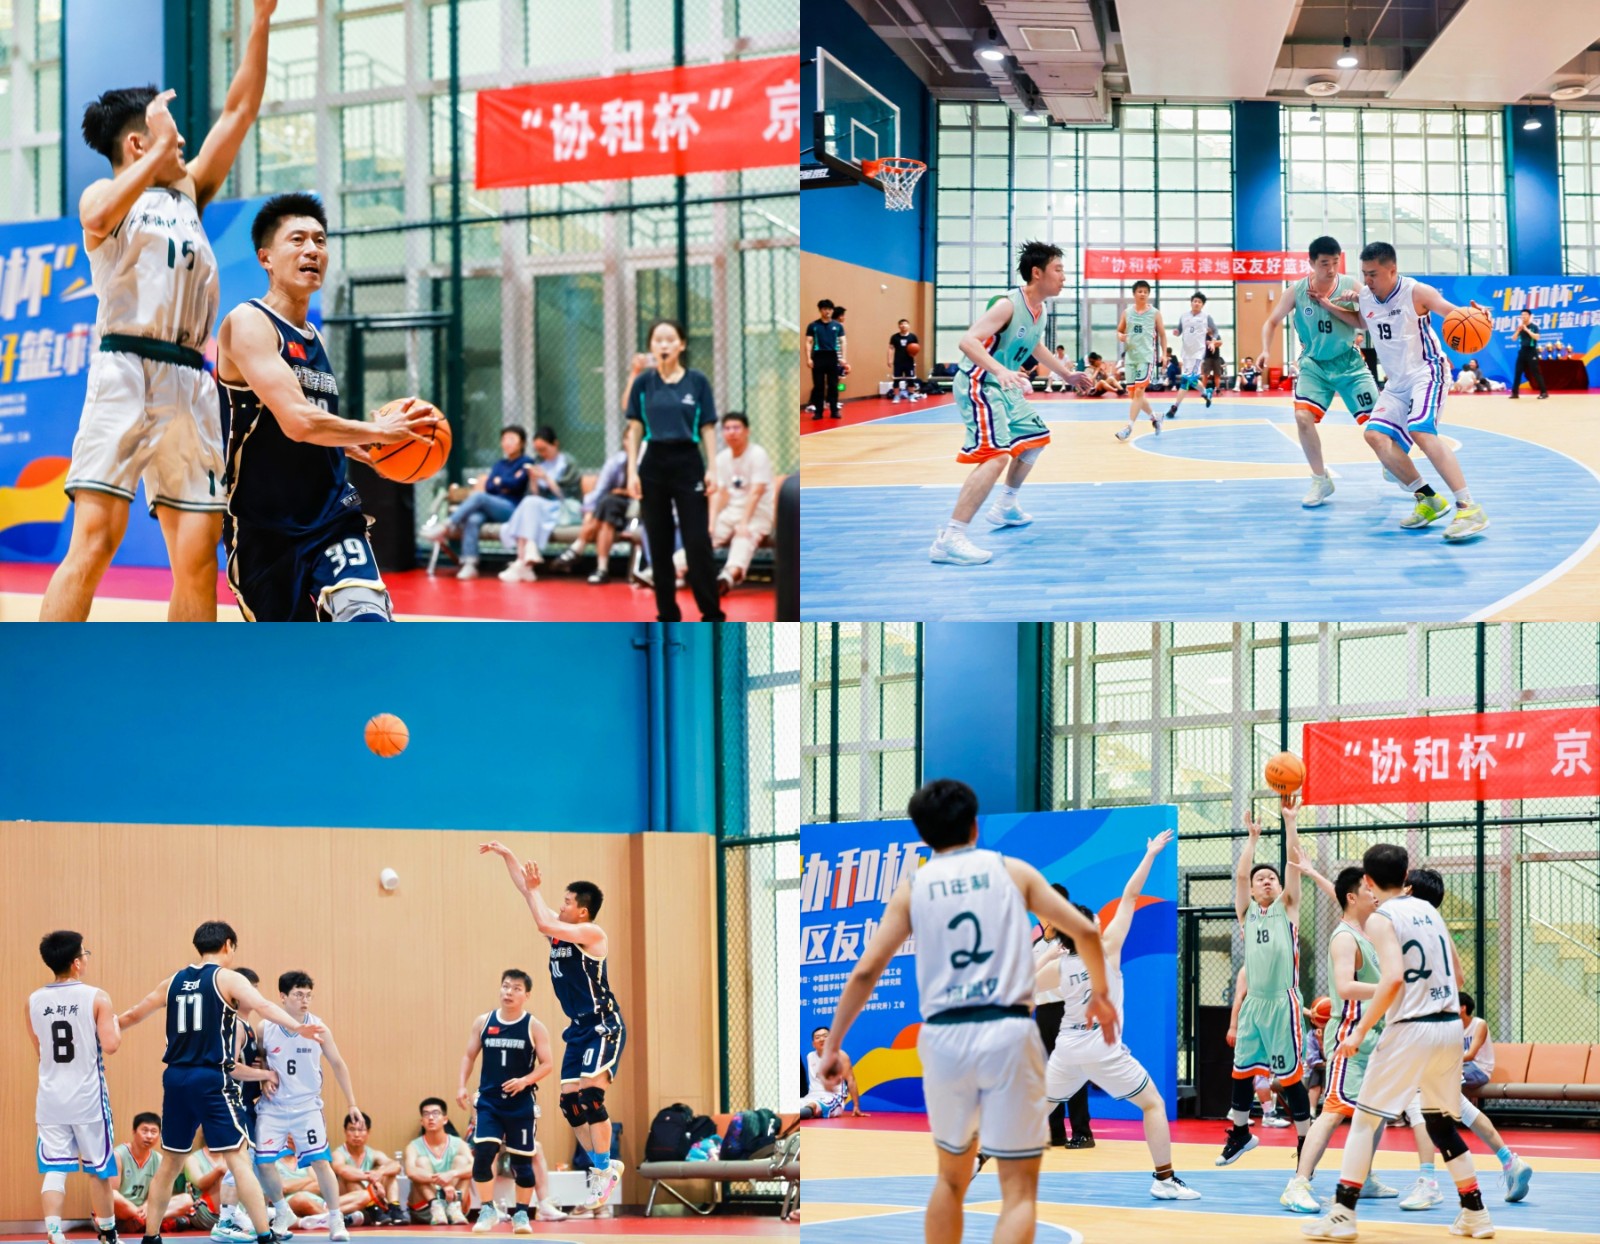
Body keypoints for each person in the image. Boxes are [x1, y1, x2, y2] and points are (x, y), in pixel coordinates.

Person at [42, 2, 278, 622]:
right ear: (139, 143)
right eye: (171, 137)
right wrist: (158, 152)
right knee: (95, 541)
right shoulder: (105, 195)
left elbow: (239, 112)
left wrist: (260, 21)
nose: (185, 146)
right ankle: (49, 669)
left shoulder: (188, 192)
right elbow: (97, 217)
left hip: (190, 381)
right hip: (125, 369)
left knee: (198, 559)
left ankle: (186, 674)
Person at [817, 778, 1118, 1244]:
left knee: (951, 1180)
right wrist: (1100, 993)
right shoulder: (1012, 871)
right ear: (975, 826)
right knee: (1018, 1193)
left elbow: (865, 972)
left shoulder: (913, 888)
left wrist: (833, 1046)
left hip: (945, 1039)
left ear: (923, 835)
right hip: (1007, 1031)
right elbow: (1085, 931)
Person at [216, 193, 434, 622]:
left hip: (332, 518)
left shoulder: (313, 337)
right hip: (264, 529)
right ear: (265, 258)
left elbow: (307, 419)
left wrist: (352, 445)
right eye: (297, 240)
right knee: (293, 657)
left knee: (365, 619)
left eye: (319, 240)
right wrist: (379, 431)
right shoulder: (248, 323)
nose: (312, 249)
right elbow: (298, 422)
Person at [1300, 843, 1495, 1241]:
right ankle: (1475, 1212)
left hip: (1411, 1028)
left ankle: (1342, 1215)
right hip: (1448, 1028)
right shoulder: (1430, 911)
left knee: (1364, 1120)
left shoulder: (1381, 918)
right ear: (1406, 875)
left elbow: (1391, 980)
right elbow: (1459, 978)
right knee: (1439, 1121)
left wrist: (1359, 1031)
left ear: (1368, 881)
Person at [115, 921, 327, 1244]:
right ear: (228, 945)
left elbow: (132, 1015)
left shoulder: (172, 981)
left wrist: (106, 1028)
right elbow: (264, 1006)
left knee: (170, 1162)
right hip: (211, 1077)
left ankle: (151, 1237)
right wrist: (297, 1028)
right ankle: (265, 1235)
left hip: (175, 1078)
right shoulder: (227, 978)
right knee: (239, 1159)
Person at [1037, 831, 1201, 1201]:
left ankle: (981, 1156)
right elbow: (1130, 896)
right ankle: (1164, 1179)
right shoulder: (1108, 948)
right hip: (1101, 1047)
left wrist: (1047, 954)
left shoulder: (1059, 966)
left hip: (1068, 1047)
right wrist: (1150, 854)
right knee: (1153, 1103)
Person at [480, 844, 627, 1213]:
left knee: (591, 1097)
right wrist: (507, 856)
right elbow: (527, 893)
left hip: (602, 1025)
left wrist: (535, 892)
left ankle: (604, 1170)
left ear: (582, 910)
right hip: (577, 1030)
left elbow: (542, 920)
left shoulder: (592, 933)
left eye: (566, 902)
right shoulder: (561, 933)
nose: (560, 906)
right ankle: (602, 1167)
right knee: (570, 1104)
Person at [1310, 241, 1490, 540]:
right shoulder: (1366, 296)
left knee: (1421, 431)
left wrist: (1477, 314)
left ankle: (1469, 507)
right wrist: (1329, 305)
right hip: (1396, 383)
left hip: (1426, 372)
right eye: (1364, 274)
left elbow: (1452, 312)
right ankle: (1428, 499)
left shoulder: (1416, 292)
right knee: (1374, 436)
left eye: (1373, 274)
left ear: (1392, 270)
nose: (1367, 280)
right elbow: (1362, 322)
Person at [930, 240, 1092, 567]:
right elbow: (967, 341)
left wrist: (1067, 375)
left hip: (1005, 386)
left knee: (1035, 438)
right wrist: (1000, 370)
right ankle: (951, 538)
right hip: (980, 383)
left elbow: (1036, 346)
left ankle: (1005, 505)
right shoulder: (1007, 305)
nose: (1064, 276)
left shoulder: (1039, 309)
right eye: (1058, 269)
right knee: (997, 455)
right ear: (1037, 273)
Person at [1392, 870, 1532, 1212]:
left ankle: (1428, 1181)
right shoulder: (1439, 926)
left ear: (1409, 890)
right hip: (1447, 1030)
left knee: (1418, 1107)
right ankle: (1509, 1160)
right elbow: (1459, 977)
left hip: (1422, 1029)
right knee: (1459, 1106)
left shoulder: (1405, 926)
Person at [1280, 863, 1398, 1213]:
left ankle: (1365, 1177)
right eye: (1368, 889)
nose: (1374, 894)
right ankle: (1298, 1183)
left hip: (1376, 1036)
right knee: (1332, 1111)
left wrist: (1313, 873)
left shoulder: (1371, 931)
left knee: (1376, 1112)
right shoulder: (1345, 937)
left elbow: (1337, 893)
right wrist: (1390, 987)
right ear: (1353, 897)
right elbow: (1345, 987)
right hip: (1350, 1036)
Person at [1217, 803, 1312, 1167]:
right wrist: (1252, 840)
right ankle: (1241, 1133)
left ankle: (1306, 1143)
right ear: (1254, 890)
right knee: (1241, 1070)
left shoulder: (1288, 908)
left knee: (1289, 1078)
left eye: (1272, 877)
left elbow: (1293, 864)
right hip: (1254, 1004)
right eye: (1261, 879)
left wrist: (1290, 822)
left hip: (1282, 1003)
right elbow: (1241, 876)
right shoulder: (1247, 913)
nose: (1267, 880)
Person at [1259, 237, 1381, 507]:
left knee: (1379, 425)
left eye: (1335, 262)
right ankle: (1320, 479)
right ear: (1311, 263)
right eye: (1325, 263)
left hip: (1349, 362)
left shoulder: (1351, 286)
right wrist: (1265, 350)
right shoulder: (1297, 290)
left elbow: (1366, 322)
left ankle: (1391, 462)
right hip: (1314, 364)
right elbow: (1271, 321)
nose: (1331, 269)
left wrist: (1353, 302)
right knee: (1302, 417)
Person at [623, 318, 725, 621]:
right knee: (659, 542)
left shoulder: (697, 381)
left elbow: (707, 427)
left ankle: (711, 613)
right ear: (651, 347)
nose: (664, 345)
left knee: (697, 541)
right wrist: (632, 471)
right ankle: (667, 613)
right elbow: (635, 428)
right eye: (658, 340)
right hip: (653, 464)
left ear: (682, 344)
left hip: (688, 462)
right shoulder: (643, 383)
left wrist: (712, 467)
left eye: (670, 339)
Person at [253, 971, 361, 1242]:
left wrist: (352, 1103)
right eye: (298, 995)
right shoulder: (265, 1027)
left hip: (306, 1106)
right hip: (274, 1107)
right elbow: (259, 1059)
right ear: (282, 997)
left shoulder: (319, 1028)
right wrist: (264, 1076)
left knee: (321, 1162)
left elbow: (338, 1064)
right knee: (263, 1163)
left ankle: (336, 1219)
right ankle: (282, 1211)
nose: (305, 1000)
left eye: (308, 995)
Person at [31, 930, 123, 1244]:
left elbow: (41, 1051)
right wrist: (116, 1024)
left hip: (51, 1098)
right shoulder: (97, 997)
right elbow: (110, 1045)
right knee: (99, 1169)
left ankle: (54, 1231)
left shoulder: (33, 1000)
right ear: (76, 962)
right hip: (87, 1098)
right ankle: (108, 1234)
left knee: (55, 1168)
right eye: (85, 953)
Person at [456, 969, 560, 1233]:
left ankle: (522, 1214)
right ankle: (487, 1209)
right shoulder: (484, 1022)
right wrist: (461, 1086)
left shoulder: (534, 1026)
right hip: (489, 1103)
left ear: (526, 995)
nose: (509, 992)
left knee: (521, 1163)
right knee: (483, 1155)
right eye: (505, 986)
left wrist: (525, 1080)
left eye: (516, 988)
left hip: (520, 1105)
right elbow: (469, 1056)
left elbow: (547, 1064)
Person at [674, 412, 773, 595]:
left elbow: (755, 493)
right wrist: (711, 522)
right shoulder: (721, 458)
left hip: (757, 513)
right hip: (731, 511)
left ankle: (728, 576)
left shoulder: (758, 454)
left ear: (747, 431)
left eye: (736, 428)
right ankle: (669, 568)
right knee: (704, 538)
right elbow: (718, 494)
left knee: (743, 537)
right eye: (727, 428)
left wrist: (743, 523)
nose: (731, 432)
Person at [425, 427, 536, 580]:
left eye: (512, 439)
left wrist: (499, 482)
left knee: (479, 497)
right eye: (504, 439)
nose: (507, 443)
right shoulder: (499, 464)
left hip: (512, 510)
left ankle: (446, 526)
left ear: (522, 443)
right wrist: (500, 483)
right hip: (492, 507)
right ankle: (470, 564)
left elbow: (516, 484)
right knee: (474, 518)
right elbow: (490, 486)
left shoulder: (527, 462)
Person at [497, 428, 583, 583]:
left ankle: (522, 559)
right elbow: (535, 495)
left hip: (564, 508)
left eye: (544, 449)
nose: (541, 453)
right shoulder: (538, 462)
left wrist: (546, 478)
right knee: (530, 503)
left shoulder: (567, 463)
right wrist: (533, 480)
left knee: (529, 504)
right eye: (538, 450)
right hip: (541, 509)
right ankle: (527, 558)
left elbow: (564, 495)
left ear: (555, 444)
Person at [550, 449, 631, 585]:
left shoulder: (649, 459)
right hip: (609, 512)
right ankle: (601, 569)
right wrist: (589, 512)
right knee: (607, 509)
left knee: (608, 502)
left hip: (635, 510)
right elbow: (600, 491)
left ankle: (577, 548)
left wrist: (624, 492)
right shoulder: (617, 462)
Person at [1113, 280, 1167, 441]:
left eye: (1145, 291)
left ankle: (1128, 427)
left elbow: (1162, 334)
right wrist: (1121, 336)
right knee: (1133, 394)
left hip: (1146, 357)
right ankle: (1155, 417)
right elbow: (1119, 330)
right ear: (1134, 294)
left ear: (1148, 294)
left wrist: (1164, 354)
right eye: (1140, 291)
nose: (1143, 294)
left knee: (1139, 391)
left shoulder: (1155, 313)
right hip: (1131, 358)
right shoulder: (1127, 312)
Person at [330, 1113, 406, 1228]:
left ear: (368, 1132)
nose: (356, 1134)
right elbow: (342, 1170)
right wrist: (372, 1178)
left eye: (361, 1130)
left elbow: (397, 1166)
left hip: (376, 1205)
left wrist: (380, 1172)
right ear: (345, 1131)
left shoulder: (373, 1153)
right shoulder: (338, 1153)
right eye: (352, 1129)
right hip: (351, 1204)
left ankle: (394, 1209)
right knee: (350, 1177)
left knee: (389, 1172)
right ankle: (372, 1208)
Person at [405, 1101, 473, 1225]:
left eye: (435, 1113)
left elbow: (475, 1168)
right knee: (421, 1163)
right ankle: (436, 1205)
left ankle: (454, 1207)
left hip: (456, 1206)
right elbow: (410, 1172)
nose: (431, 1118)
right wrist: (442, 1182)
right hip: (426, 1208)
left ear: (445, 1119)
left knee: (463, 1162)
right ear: (422, 1121)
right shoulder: (413, 1146)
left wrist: (453, 1174)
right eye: (426, 1114)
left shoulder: (459, 1144)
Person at [1165, 294, 1217, 419]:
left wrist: (1213, 342)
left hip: (1197, 353)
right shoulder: (1184, 316)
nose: (1197, 303)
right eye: (1195, 301)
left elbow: (1215, 331)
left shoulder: (1206, 317)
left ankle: (1175, 407)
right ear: (1191, 302)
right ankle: (1207, 393)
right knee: (1192, 380)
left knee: (1186, 380)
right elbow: (1179, 330)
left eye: (1199, 302)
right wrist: (1176, 332)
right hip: (1186, 353)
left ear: (1202, 305)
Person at [800, 1027, 868, 1119]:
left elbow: (851, 1080)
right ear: (813, 1044)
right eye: (817, 1037)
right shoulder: (810, 1056)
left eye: (825, 1036)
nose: (822, 1039)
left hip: (833, 1097)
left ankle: (804, 1113)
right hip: (811, 1096)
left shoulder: (840, 1056)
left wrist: (856, 1106)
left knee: (813, 1105)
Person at [805, 299, 845, 420]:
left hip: (832, 357)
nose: (827, 311)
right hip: (818, 357)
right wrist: (808, 358)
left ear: (832, 311)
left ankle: (834, 411)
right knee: (819, 386)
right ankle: (818, 412)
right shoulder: (813, 325)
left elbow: (843, 341)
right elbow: (808, 342)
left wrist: (843, 358)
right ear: (820, 310)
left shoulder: (837, 326)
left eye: (829, 309)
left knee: (833, 385)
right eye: (824, 309)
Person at [1509, 309, 1549, 399]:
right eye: (1522, 315)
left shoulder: (1534, 327)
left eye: (1525, 314)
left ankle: (1544, 392)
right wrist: (1518, 330)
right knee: (1518, 372)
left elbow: (1537, 337)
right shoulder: (1520, 327)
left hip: (1532, 352)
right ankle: (1515, 393)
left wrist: (1527, 330)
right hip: (1522, 351)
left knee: (1535, 372)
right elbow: (1513, 338)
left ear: (1529, 316)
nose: (1523, 316)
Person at [888, 319, 923, 401]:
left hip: (909, 362)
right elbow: (890, 348)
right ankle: (896, 396)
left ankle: (911, 395)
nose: (903, 325)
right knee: (896, 380)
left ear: (908, 326)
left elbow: (916, 348)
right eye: (901, 324)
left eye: (905, 324)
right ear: (899, 326)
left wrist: (914, 355)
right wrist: (889, 360)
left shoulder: (913, 337)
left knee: (911, 380)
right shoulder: (894, 337)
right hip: (898, 362)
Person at [1200, 335, 1227, 406]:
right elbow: (1206, 343)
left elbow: (1220, 343)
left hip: (1216, 358)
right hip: (1207, 358)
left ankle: (1217, 389)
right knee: (1205, 374)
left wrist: (1212, 343)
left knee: (1217, 374)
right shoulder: (1205, 335)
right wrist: (1215, 343)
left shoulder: (1217, 335)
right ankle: (1203, 391)